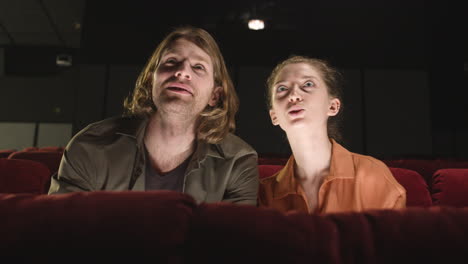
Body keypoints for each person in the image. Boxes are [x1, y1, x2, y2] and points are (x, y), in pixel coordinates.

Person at [48, 26, 259, 205]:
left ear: (215, 95)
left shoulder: (238, 161)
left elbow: (233, 246)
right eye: (171, 61)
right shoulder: (90, 146)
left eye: (198, 67)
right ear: (151, 83)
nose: (182, 71)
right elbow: (63, 233)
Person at [258, 56, 406, 213]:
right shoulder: (265, 194)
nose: (293, 95)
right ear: (274, 116)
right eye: (282, 88)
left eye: (308, 84)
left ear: (333, 106)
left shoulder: (373, 176)